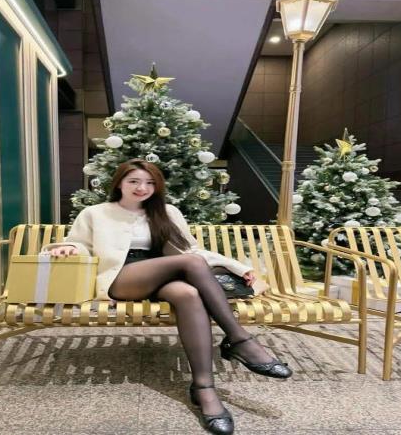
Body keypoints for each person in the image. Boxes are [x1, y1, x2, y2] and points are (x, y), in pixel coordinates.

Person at [48, 159, 292, 435]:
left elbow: (191, 250)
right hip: (121, 277)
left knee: (188, 293)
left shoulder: (167, 212)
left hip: (162, 273)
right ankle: (239, 339)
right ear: (119, 183)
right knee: (191, 264)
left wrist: (239, 267)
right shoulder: (96, 213)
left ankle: (204, 388)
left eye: (150, 183)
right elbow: (80, 243)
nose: (142, 188)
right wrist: (68, 248)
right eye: (134, 181)